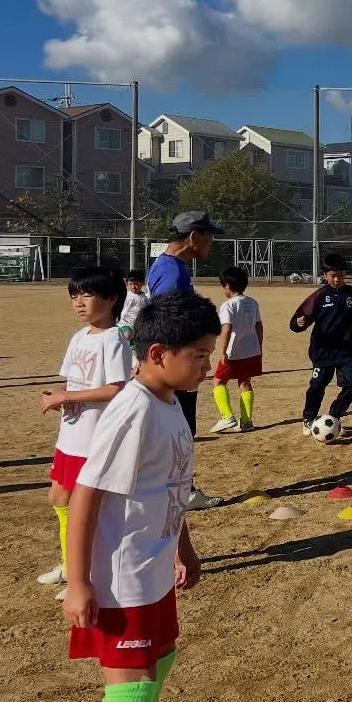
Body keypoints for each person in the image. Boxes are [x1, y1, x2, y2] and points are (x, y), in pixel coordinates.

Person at [63, 290, 220, 702]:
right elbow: (85, 494)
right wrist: (79, 581)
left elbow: (172, 486)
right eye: (198, 355)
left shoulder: (170, 402)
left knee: (161, 666)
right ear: (158, 354)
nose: (207, 365)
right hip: (119, 580)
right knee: (129, 695)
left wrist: (184, 547)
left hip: (153, 570)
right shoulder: (132, 411)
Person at [37, 267, 131, 600]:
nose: (78, 302)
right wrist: (59, 396)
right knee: (58, 499)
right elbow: (74, 381)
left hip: (93, 441)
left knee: (83, 509)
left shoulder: (115, 338)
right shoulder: (79, 337)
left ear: (111, 299)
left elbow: (116, 388)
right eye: (74, 295)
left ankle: (85, 572)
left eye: (87, 295)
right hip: (70, 437)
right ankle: (68, 563)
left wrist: (68, 397)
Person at [145, 210, 224, 510]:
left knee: (179, 428)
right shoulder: (174, 273)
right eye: (209, 236)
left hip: (173, 364)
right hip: (176, 366)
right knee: (181, 429)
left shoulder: (167, 266)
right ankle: (182, 491)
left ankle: (181, 488)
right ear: (193, 238)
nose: (211, 242)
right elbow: (168, 325)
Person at [289, 253, 352, 438]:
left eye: (340, 275)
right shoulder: (319, 296)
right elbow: (300, 317)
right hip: (323, 351)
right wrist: (297, 324)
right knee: (317, 386)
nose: (337, 279)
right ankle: (309, 419)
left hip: (347, 351)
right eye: (333, 276)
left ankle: (333, 418)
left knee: (351, 387)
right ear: (325, 275)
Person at [210, 266, 263, 434]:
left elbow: (226, 329)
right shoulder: (253, 302)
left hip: (234, 352)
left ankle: (227, 416)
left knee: (218, 381)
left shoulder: (228, 305)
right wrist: (259, 347)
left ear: (226, 285)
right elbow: (259, 326)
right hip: (251, 350)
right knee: (245, 382)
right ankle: (247, 421)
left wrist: (223, 352)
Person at [117, 269, 146, 347]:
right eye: (130, 284)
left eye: (136, 284)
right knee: (127, 335)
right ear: (127, 284)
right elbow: (124, 310)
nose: (133, 287)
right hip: (125, 323)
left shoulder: (145, 298)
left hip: (137, 326)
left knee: (135, 347)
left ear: (143, 283)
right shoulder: (128, 296)